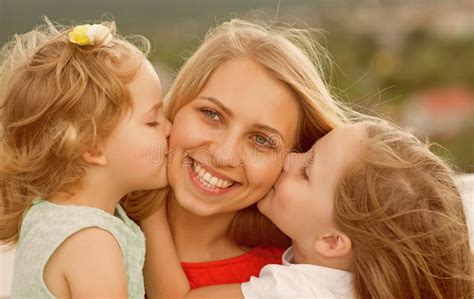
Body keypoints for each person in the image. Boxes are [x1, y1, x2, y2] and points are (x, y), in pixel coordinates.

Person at [136, 18, 353, 294]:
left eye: (262, 140)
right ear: (177, 106)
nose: (224, 154)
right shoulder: (90, 217)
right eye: (211, 114)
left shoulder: (292, 282)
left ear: (293, 159)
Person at [144, 120, 473, 298]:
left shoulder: (295, 292)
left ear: (331, 242)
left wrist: (148, 207)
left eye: (306, 172)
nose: (289, 158)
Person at [0, 19, 171, 298]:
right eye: (153, 121)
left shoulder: (44, 212)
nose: (169, 129)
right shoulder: (92, 243)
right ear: (92, 147)